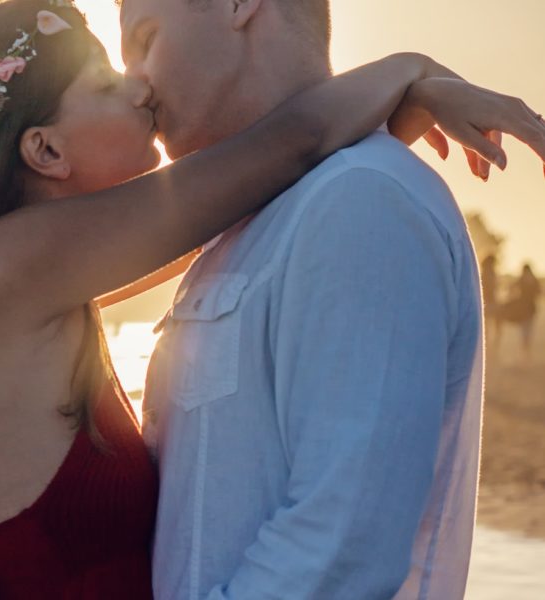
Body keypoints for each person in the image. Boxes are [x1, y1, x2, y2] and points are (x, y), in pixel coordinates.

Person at [0, 1, 545, 598]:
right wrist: (408, 72)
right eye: (108, 79)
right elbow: (290, 143)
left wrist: (378, 112)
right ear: (45, 151)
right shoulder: (3, 269)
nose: (139, 86)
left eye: (143, 44)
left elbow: (245, 191)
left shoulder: (27, 277)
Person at [118, 0, 544, 598]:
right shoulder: (246, 221)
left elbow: (339, 551)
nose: (130, 80)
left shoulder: (358, 201)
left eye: (145, 39)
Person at [504, 263, 541, 360]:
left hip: (525, 309)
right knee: (527, 330)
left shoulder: (522, 280)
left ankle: (525, 352)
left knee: (525, 330)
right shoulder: (534, 280)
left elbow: (511, 287)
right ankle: (526, 352)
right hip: (529, 309)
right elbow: (539, 292)